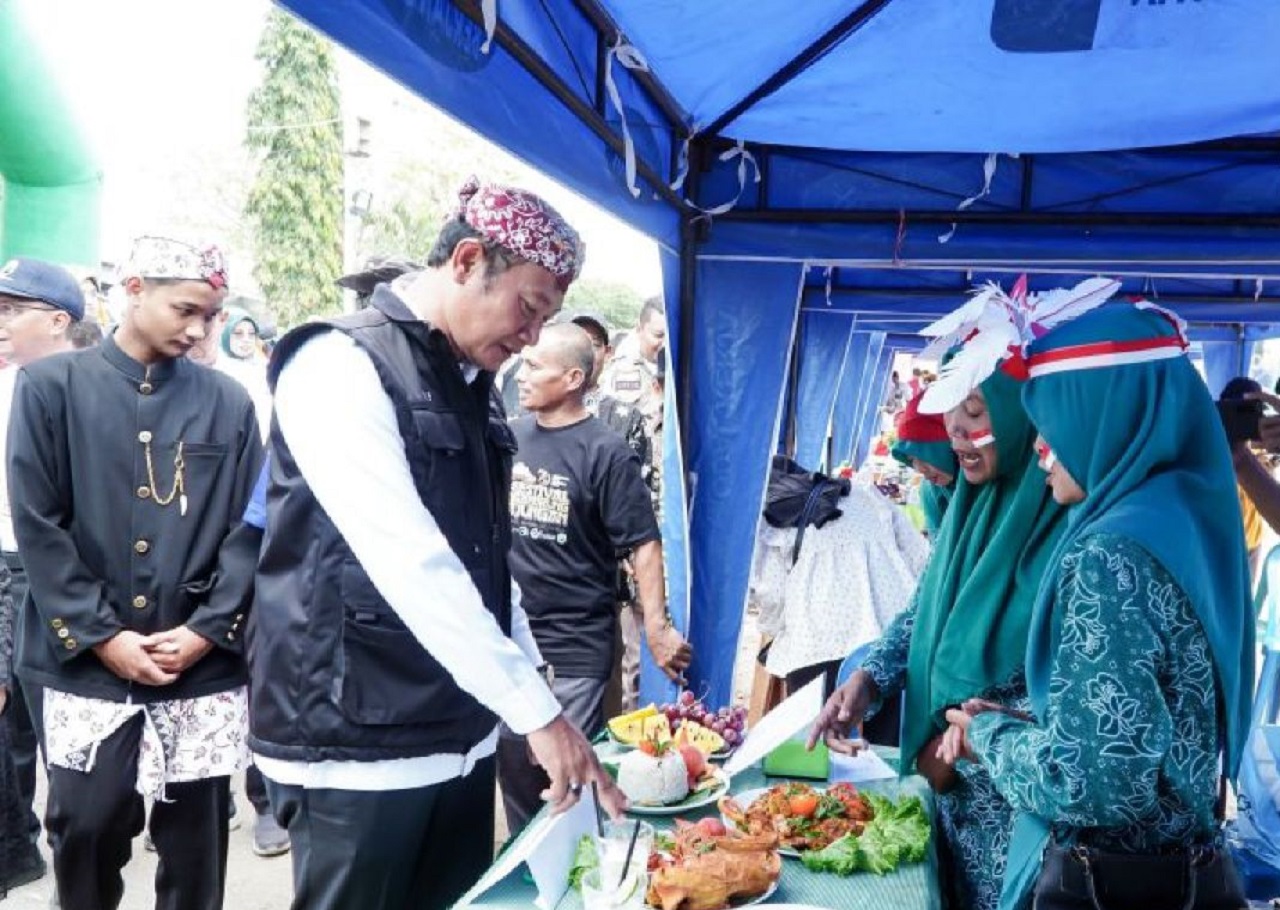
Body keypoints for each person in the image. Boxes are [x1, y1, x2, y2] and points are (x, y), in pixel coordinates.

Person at [247, 177, 627, 910]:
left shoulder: (470, 383)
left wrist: (533, 695)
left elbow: (488, 567)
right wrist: (537, 715)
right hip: (354, 740)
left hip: (455, 735)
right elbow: (409, 559)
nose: (528, 339)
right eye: (527, 308)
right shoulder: (339, 362)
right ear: (466, 260)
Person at [939, 304, 1252, 910]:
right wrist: (1040, 722)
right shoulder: (1184, 519)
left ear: (1107, 418)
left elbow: (1098, 786)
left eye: (1056, 424)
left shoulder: (1109, 555)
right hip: (1186, 866)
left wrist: (989, 734)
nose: (1038, 449)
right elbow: (1151, 722)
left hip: (1113, 883)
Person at [8, 237, 262, 910]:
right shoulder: (48, 388)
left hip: (198, 660)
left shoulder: (228, 403)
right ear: (136, 289)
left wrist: (209, 628)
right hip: (83, 657)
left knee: (195, 842)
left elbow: (250, 530)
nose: (198, 329)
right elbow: (38, 522)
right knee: (84, 829)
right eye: (186, 309)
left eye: (209, 316)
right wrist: (102, 635)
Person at [808, 313, 1067, 910]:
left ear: (1019, 411)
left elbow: (1057, 694)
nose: (954, 431)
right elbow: (922, 611)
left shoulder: (1063, 523)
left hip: (1016, 813)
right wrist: (868, 680)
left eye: (974, 412)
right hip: (948, 794)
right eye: (948, 410)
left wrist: (960, 753)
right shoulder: (968, 512)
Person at [497, 324, 691, 835]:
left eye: (536, 366)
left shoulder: (605, 452)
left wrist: (656, 629)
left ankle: (576, 865)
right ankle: (533, 864)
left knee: (563, 774)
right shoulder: (510, 436)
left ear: (574, 377)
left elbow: (643, 545)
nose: (523, 373)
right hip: (512, 636)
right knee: (516, 765)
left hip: (575, 643)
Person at [0, 256, 89, 895]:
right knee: (10, 732)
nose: (0, 324)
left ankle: (74, 858)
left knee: (64, 727)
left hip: (57, 579)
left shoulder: (92, 389)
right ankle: (18, 851)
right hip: (3, 570)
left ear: (57, 320)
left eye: (13, 311)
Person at [891, 388, 958, 535]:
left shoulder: (991, 484)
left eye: (923, 456)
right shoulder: (931, 491)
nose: (919, 469)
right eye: (912, 460)